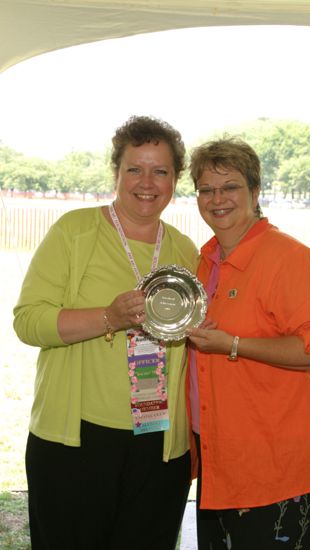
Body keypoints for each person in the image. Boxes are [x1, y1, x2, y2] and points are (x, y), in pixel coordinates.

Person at [13, 115, 198, 550]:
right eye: (135, 168)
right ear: (116, 173)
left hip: (159, 444)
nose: (147, 182)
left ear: (176, 179)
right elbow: (28, 321)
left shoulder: (185, 252)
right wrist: (109, 318)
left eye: (161, 171)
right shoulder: (75, 232)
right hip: (75, 442)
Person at [186, 137, 310, 550]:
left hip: (279, 470)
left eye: (230, 187)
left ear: (255, 192)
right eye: (206, 189)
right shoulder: (205, 262)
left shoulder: (288, 259)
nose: (217, 198)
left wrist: (233, 344)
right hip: (222, 466)